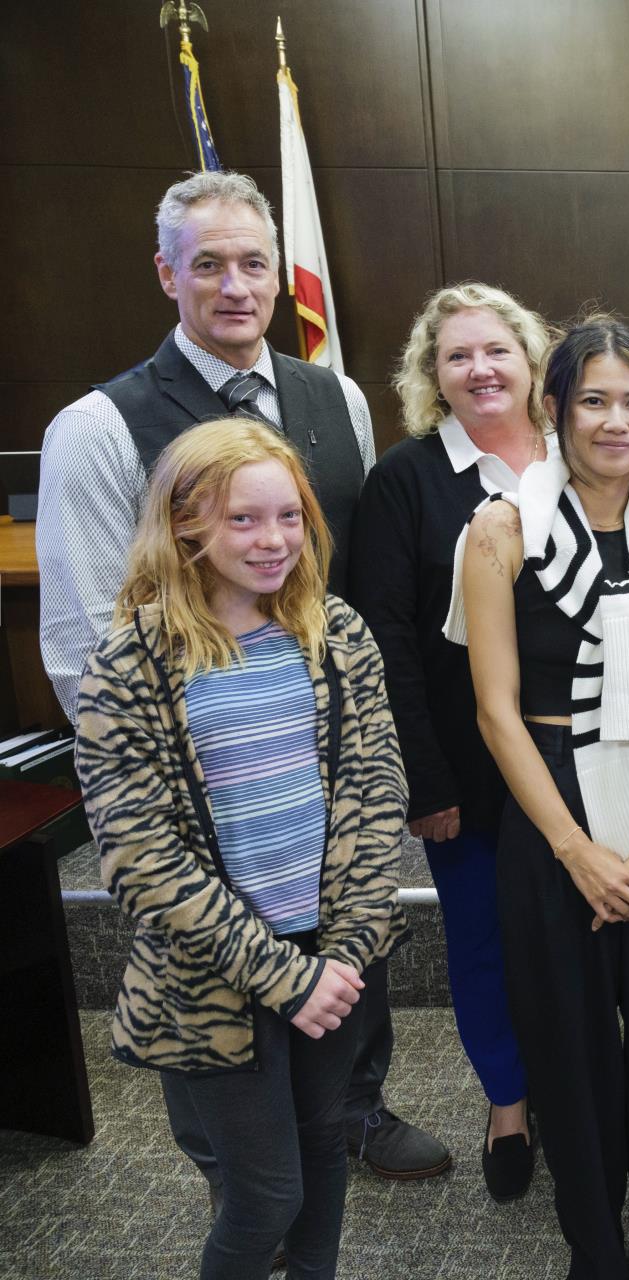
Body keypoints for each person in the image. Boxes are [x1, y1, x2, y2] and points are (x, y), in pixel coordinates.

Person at [35, 169, 447, 1184]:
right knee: (226, 1007)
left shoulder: (336, 397)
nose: (234, 285)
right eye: (208, 263)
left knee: (342, 947)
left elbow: (343, 576)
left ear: (278, 273)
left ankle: (354, 1108)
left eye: (254, 263)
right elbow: (84, 639)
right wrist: (151, 795)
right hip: (201, 774)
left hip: (314, 752)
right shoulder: (97, 425)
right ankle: (236, 1168)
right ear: (166, 273)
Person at [73, 417, 408, 1280]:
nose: (274, 540)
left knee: (323, 1146)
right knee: (265, 1196)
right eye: (244, 520)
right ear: (186, 525)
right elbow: (140, 858)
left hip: (331, 956)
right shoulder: (131, 662)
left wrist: (341, 954)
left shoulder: (336, 632)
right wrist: (284, 978)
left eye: (289, 516)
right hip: (214, 972)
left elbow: (377, 794)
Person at [458, 315, 629, 1280]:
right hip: (551, 807)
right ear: (554, 409)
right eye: (593, 401)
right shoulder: (502, 531)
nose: (617, 421)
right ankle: (595, 1249)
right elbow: (495, 712)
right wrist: (577, 851)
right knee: (569, 1053)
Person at [349, 283, 553, 1201]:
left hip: (584, 760)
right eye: (457, 355)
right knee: (482, 943)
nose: (480, 369)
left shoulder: (580, 452)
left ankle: (576, 1082)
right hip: (465, 775)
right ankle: (508, 1104)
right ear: (432, 374)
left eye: (496, 349)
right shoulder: (406, 478)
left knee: (578, 938)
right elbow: (386, 638)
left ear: (531, 358)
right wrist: (424, 782)